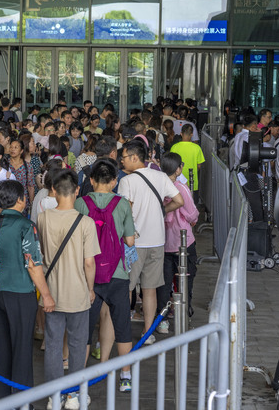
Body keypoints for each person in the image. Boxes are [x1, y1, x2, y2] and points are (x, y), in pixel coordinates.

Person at [0, 180, 54, 401]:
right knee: (21, 349)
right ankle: (21, 401)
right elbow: (33, 265)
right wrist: (46, 295)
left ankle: (0, 400)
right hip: (19, 294)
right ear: (21, 200)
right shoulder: (27, 226)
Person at [37, 169, 100, 409]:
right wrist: (91, 288)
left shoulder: (42, 218)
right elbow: (89, 262)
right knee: (77, 344)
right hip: (78, 293)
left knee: (53, 345)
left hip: (50, 292)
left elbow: (40, 255)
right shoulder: (86, 222)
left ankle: (54, 396)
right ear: (76, 192)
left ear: (53, 191)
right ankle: (74, 396)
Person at [75, 159, 135, 391]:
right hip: (117, 273)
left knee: (85, 328)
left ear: (91, 180)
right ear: (114, 181)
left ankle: (80, 378)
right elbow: (129, 240)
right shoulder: (123, 204)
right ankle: (125, 377)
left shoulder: (81, 203)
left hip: (86, 273)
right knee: (122, 326)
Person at [117, 140, 183, 344]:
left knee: (126, 288)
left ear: (135, 157)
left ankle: (124, 330)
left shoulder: (127, 181)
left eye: (124, 157)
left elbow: (124, 211)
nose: (122, 161)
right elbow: (179, 201)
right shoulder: (161, 176)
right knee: (150, 289)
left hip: (133, 242)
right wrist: (162, 211)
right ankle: (147, 332)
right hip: (157, 241)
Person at [156, 152, 199, 332]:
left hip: (163, 242)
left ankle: (162, 320)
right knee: (186, 279)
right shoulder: (181, 188)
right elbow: (192, 214)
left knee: (164, 282)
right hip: (184, 242)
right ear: (178, 168)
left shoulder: (157, 186)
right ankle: (184, 312)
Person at [170, 124, 205, 195]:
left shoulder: (174, 147)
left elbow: (171, 163)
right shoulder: (197, 148)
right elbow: (199, 166)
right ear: (191, 134)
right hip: (192, 181)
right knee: (190, 203)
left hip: (176, 181)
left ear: (181, 133)